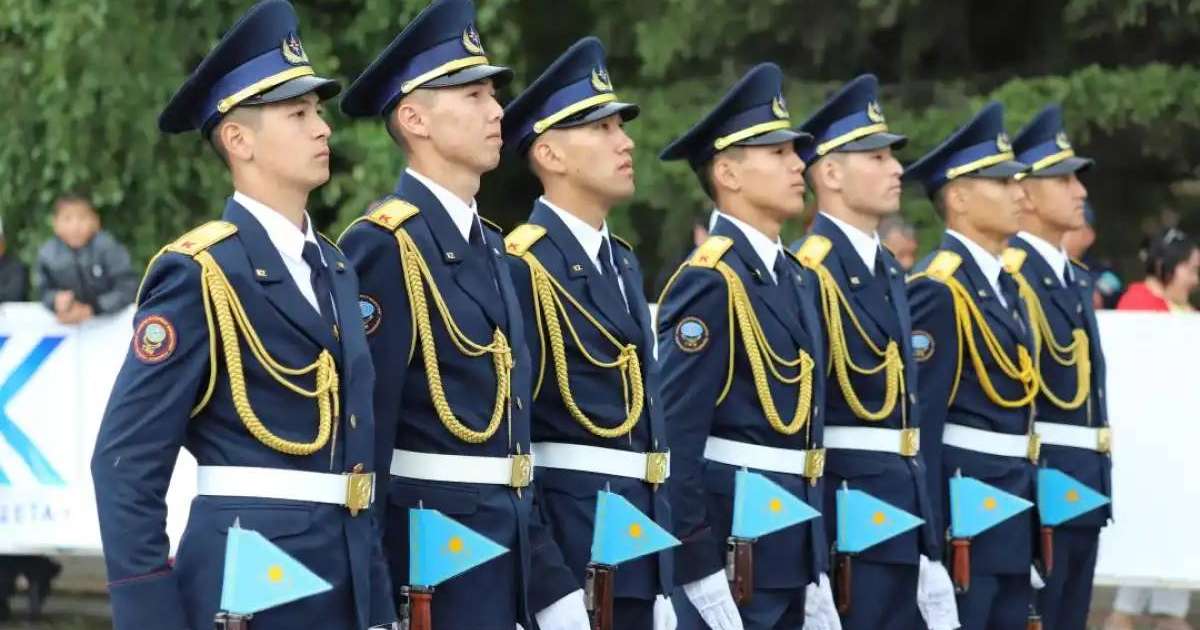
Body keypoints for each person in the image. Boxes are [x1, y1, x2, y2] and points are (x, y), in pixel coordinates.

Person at [89, 2, 396, 628]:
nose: (323, 129)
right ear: (238, 138)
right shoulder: (200, 273)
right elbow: (124, 466)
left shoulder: (335, 269)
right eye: (298, 113)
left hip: (348, 590)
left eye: (318, 112)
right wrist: (152, 616)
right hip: (251, 593)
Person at [337, 2, 585, 628]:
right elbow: (366, 442)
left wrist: (552, 586)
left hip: (509, 565)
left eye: (493, 95)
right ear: (414, 117)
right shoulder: (385, 245)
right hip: (431, 572)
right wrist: (373, 597)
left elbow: (512, 444)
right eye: (473, 95)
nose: (497, 111)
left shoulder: (497, 250)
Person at [500, 37, 676, 630]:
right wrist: (549, 583)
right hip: (577, 555)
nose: (625, 142)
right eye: (601, 129)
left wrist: (667, 576)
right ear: (550, 154)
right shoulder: (525, 265)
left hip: (635, 547)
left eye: (619, 127)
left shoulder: (622, 262)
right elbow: (515, 441)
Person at [656, 62, 834, 630]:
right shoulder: (710, 280)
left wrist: (818, 561)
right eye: (778, 152)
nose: (798, 164)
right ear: (728, 173)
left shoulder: (796, 276)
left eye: (795, 151)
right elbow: (678, 441)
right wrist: (697, 568)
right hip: (737, 560)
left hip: (791, 550)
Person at [791, 74, 955, 630]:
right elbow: (805, 424)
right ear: (831, 172)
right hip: (848, 519)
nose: (898, 170)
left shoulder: (886, 266)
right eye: (878, 157)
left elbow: (910, 420)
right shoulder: (811, 267)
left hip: (899, 508)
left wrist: (931, 542)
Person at [905, 102, 1041, 630]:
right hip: (965, 518)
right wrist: (932, 540)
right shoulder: (940, 289)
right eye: (1003, 183)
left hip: (1010, 505)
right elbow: (927, 422)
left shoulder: (1004, 285)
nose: (1020, 193)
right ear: (958, 197)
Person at [1009, 104, 1113, 630]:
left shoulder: (1070, 277)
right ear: (1023, 192)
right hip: (1041, 486)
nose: (1080, 192)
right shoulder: (1014, 276)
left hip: (1080, 484)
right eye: (1063, 179)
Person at [35, 193, 138, 324]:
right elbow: (43, 291)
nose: (75, 226)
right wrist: (55, 300)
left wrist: (93, 308)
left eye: (82, 218)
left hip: (112, 325)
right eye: (67, 219)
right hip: (67, 327)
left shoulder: (109, 248)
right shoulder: (47, 254)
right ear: (56, 224)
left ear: (96, 222)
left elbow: (128, 287)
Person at [1115, 228, 1198, 312]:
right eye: (1192, 270)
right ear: (1163, 267)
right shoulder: (1138, 308)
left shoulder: (1179, 307)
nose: (1196, 280)